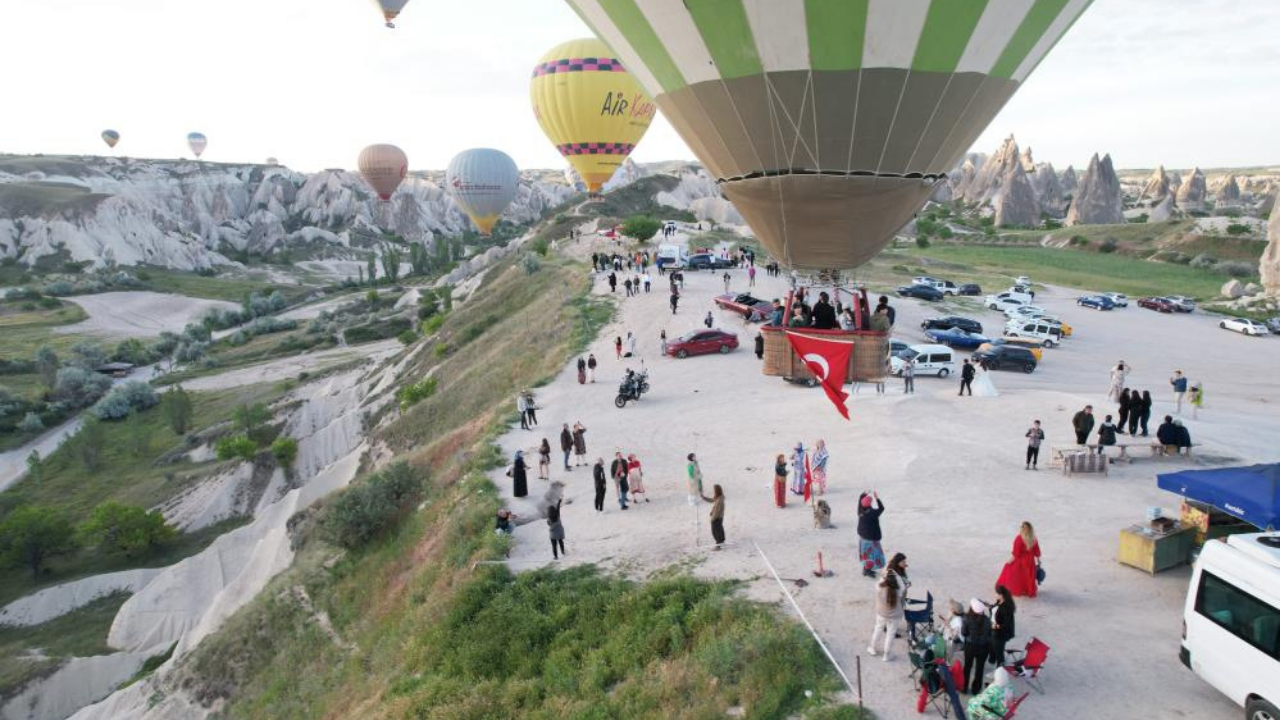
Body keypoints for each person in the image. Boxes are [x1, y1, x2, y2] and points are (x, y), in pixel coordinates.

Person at [867, 553, 908, 661]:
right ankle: (886, 655)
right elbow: (903, 593)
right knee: (890, 633)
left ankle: (872, 648)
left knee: (878, 629)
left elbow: (878, 585)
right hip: (895, 614)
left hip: (881, 612)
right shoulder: (899, 587)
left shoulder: (880, 586)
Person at [996, 521, 1042, 598]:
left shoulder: (1019, 539)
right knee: (1028, 577)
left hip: (1020, 562)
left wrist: (1008, 562)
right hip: (1030, 562)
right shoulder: (1034, 539)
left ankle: (1011, 588)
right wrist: (1038, 560)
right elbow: (1037, 552)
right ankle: (1027, 590)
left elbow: (1016, 554)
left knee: (1014, 574)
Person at [962, 598, 992, 695]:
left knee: (967, 667)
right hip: (983, 647)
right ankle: (976, 689)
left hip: (970, 647)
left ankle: (964, 687)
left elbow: (964, 632)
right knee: (980, 668)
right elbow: (990, 634)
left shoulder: (967, 619)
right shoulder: (987, 620)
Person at [857, 492, 886, 578]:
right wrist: (877, 498)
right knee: (872, 556)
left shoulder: (860, 511)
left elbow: (860, 502)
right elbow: (882, 508)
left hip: (863, 538)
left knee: (866, 555)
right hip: (870, 539)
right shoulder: (873, 513)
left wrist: (863, 495)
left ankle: (866, 569)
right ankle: (867, 570)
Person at [989, 584, 1017, 667]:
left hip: (1000, 633)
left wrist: (996, 626)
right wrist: (990, 606)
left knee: (999, 652)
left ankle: (1000, 671)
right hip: (994, 630)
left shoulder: (1006, 608)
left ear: (1001, 595)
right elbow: (995, 609)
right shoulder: (999, 601)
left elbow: (1007, 624)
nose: (996, 595)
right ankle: (993, 662)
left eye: (997, 594)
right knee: (992, 647)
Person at [701, 484, 726, 549]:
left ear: (717, 491)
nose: (713, 491)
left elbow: (717, 511)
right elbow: (712, 500)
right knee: (720, 529)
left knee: (715, 531)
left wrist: (712, 519)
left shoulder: (719, 500)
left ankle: (718, 545)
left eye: (714, 490)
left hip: (717, 518)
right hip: (719, 517)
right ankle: (722, 541)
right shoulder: (719, 497)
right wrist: (704, 497)